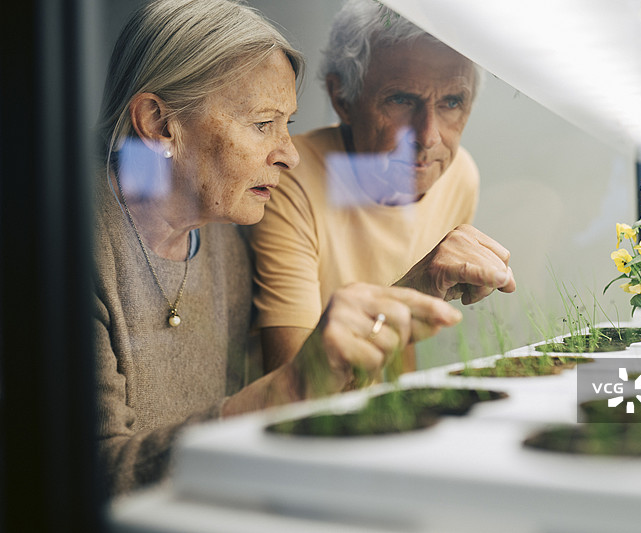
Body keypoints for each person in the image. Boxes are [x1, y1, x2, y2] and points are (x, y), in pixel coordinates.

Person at [94, 0, 462, 496]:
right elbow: (87, 480)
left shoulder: (224, 236)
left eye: (287, 124)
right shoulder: (63, 248)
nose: (289, 154)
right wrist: (288, 388)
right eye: (263, 124)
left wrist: (418, 287)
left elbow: (302, 386)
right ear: (159, 124)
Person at [250, 0, 516, 375]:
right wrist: (417, 288)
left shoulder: (458, 175)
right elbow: (293, 386)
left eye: (452, 102)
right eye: (402, 100)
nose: (429, 137)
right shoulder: (289, 180)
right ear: (343, 98)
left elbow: (401, 345)